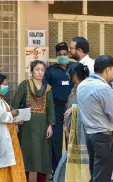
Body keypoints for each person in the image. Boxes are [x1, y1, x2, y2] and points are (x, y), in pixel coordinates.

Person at [77, 55, 113, 182]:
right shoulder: (104, 87)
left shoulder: (83, 85)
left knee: (96, 173)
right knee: (103, 175)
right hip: (103, 135)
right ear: (108, 70)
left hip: (89, 134)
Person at [12, 60, 56, 182]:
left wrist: (50, 125)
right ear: (31, 71)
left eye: (42, 70)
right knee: (26, 153)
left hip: (43, 126)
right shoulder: (24, 85)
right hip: (27, 126)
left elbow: (50, 108)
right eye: (37, 69)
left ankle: (41, 179)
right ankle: (23, 179)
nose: (40, 72)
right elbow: (15, 105)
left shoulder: (48, 88)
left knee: (43, 153)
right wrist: (15, 122)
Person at [0, 74, 26, 182]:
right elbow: (0, 116)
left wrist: (15, 120)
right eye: (5, 85)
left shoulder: (0, 99)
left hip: (8, 136)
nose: (7, 87)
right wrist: (13, 114)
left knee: (8, 162)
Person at [43, 42, 76, 177]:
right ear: (56, 56)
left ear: (68, 54)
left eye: (64, 54)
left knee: (73, 138)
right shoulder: (50, 70)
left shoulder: (75, 68)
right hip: (56, 107)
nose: (62, 56)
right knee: (56, 140)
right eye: (59, 55)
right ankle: (56, 171)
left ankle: (72, 171)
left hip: (73, 108)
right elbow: (45, 89)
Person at [53, 63, 90, 182]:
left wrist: (73, 109)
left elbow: (88, 107)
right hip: (72, 130)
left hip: (82, 131)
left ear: (75, 75)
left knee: (81, 161)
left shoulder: (85, 88)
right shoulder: (75, 88)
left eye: (69, 73)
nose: (67, 76)